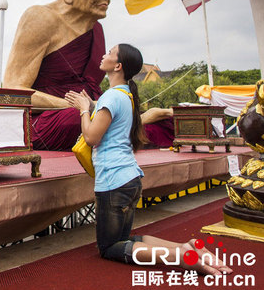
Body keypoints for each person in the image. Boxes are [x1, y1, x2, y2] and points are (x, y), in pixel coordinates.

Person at [65, 43, 231, 276]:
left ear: (118, 65)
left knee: (110, 247)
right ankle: (183, 248)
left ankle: (181, 257)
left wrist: (83, 109)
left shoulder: (112, 96)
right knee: (125, 239)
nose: (104, 55)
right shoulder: (125, 95)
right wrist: (92, 105)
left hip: (114, 181)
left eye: (110, 53)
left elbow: (92, 137)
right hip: (129, 179)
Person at [3, 0, 173, 151]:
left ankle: (132, 122)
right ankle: (136, 123)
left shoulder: (96, 29)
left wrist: (96, 107)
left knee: (166, 124)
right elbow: (13, 92)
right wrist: (87, 107)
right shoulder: (41, 18)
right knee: (76, 120)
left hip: (92, 109)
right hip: (48, 119)